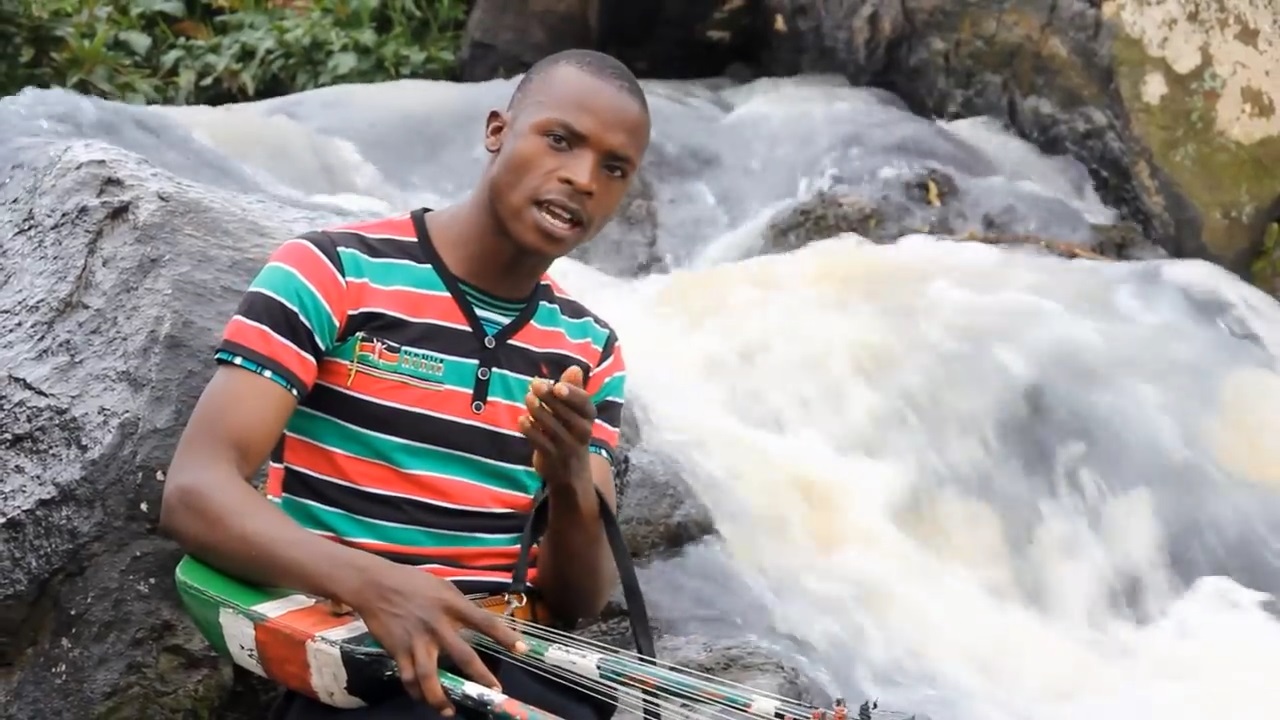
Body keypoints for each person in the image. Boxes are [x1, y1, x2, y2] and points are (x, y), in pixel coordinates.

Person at [158, 48, 652, 720]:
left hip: (496, 671)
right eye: (560, 139)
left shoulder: (588, 349)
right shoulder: (332, 272)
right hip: (350, 670)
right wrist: (376, 586)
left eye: (614, 167)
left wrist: (568, 478)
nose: (583, 178)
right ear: (497, 131)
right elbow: (194, 492)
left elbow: (573, 604)